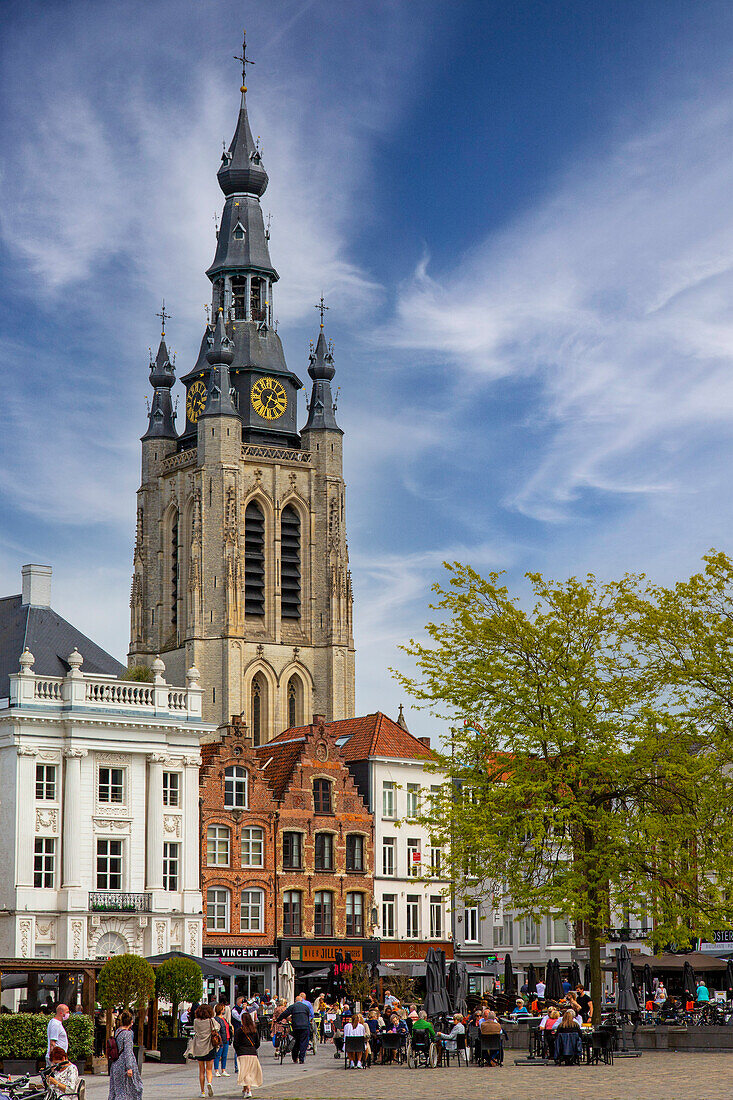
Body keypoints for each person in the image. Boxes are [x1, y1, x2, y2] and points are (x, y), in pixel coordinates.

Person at [109, 1009, 143, 1100]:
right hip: (124, 1064)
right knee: (134, 1088)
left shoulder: (118, 1032)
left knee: (117, 1090)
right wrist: (129, 1067)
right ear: (131, 1022)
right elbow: (128, 1051)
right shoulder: (127, 1034)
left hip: (116, 1063)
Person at [233, 1011, 262, 1099]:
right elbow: (257, 1043)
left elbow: (236, 1043)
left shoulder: (239, 1030)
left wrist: (238, 1051)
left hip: (242, 1053)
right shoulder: (254, 1030)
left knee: (244, 1072)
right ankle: (245, 1089)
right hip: (252, 1053)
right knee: (249, 1072)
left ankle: (248, 1090)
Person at [192, 1004, 219, 1098]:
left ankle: (202, 1091)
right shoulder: (211, 1020)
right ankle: (210, 1082)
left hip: (199, 1047)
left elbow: (195, 1030)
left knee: (201, 1070)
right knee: (209, 1069)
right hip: (210, 1047)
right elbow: (217, 1028)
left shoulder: (196, 1021)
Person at [279, 996, 312, 1064]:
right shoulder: (305, 1007)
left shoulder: (292, 1007)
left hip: (296, 1027)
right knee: (303, 1042)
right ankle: (301, 1058)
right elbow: (309, 1015)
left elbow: (285, 1013)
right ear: (301, 1000)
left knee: (296, 1041)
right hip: (305, 1027)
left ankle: (295, 1057)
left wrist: (278, 1019)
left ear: (295, 1001)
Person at [213, 1003, 231, 1078]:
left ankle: (223, 1070)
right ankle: (216, 1070)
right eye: (223, 1008)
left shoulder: (224, 1019)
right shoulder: (216, 1019)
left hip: (226, 1038)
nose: (224, 1010)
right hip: (221, 1039)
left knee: (224, 1055)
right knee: (218, 1055)